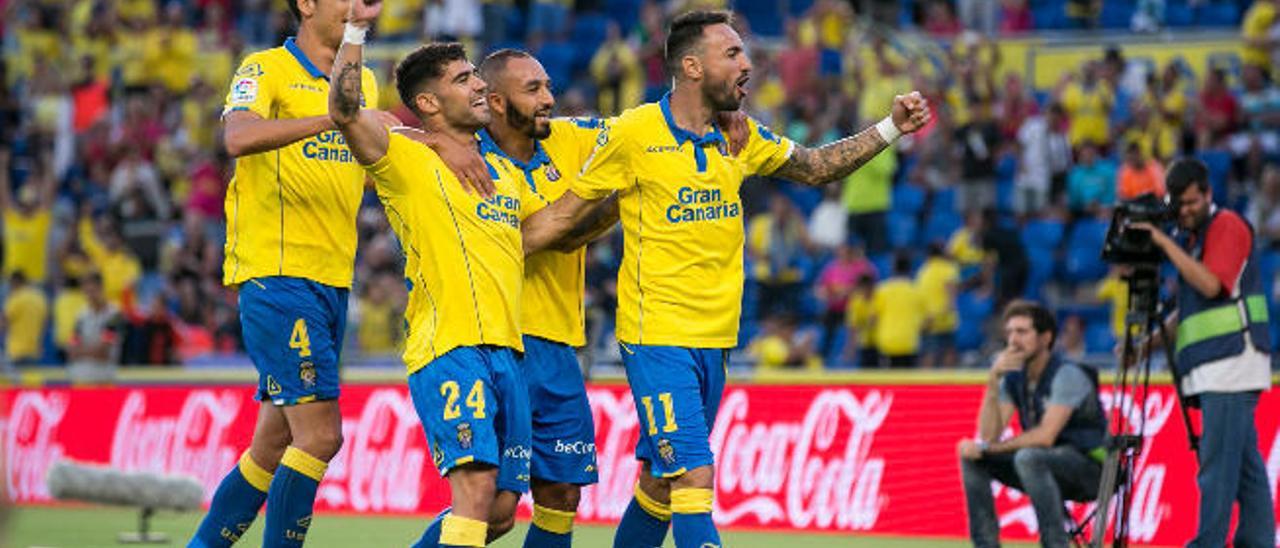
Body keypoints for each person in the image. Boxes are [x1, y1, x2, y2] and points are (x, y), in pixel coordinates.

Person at [521, 10, 930, 547]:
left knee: (662, 488)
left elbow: (814, 166)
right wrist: (479, 252)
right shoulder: (634, 133)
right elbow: (558, 218)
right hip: (656, 335)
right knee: (694, 476)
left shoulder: (739, 136)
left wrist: (889, 127)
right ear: (692, 66)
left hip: (716, 339)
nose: (748, 63)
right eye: (732, 53)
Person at [189, 0, 483, 545]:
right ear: (305, 4)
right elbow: (237, 138)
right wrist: (337, 115)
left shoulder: (364, 83)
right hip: (278, 273)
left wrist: (434, 142)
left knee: (272, 446)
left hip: (330, 279)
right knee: (321, 437)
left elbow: (378, 141)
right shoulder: (265, 67)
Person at [329, 8, 560, 545]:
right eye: (464, 80)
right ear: (429, 103)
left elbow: (549, 226)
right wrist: (357, 31)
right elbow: (345, 110)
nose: (480, 85)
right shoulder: (405, 160)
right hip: (450, 344)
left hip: (508, 351)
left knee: (500, 511)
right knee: (475, 493)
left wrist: (626, 187)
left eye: (476, 75)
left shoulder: (500, 170)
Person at [470, 48, 619, 547]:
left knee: (561, 493)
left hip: (557, 344)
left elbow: (644, 135)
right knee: (494, 510)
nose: (549, 99)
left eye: (548, 86)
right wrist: (613, 197)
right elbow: (535, 237)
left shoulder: (568, 139)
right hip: (499, 343)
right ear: (494, 100)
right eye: (532, 90)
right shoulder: (471, 164)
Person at [1127, 159, 1275, 547]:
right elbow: (1189, 309)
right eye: (1180, 204)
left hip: (1231, 364)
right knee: (1245, 471)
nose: (1187, 210)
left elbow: (1211, 285)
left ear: (1208, 194)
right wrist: (1148, 346)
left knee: (1217, 470)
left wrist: (1162, 243)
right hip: (1222, 366)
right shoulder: (1193, 241)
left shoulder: (1226, 224)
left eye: (1193, 202)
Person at [957, 300, 1108, 548]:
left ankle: (1054, 544)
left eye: (1022, 332)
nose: (1013, 340)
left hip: (1092, 468)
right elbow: (988, 434)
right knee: (972, 456)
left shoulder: (1067, 374)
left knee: (1028, 457)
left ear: (1045, 338)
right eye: (1010, 333)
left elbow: (1045, 436)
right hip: (1045, 463)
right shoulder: (1014, 378)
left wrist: (988, 448)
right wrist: (994, 381)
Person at [871, 253, 926, 368]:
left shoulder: (882, 290)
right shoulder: (916, 290)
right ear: (910, 268)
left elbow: (873, 319)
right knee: (909, 383)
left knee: (890, 383)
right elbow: (926, 321)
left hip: (887, 343)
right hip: (909, 342)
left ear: (893, 267)